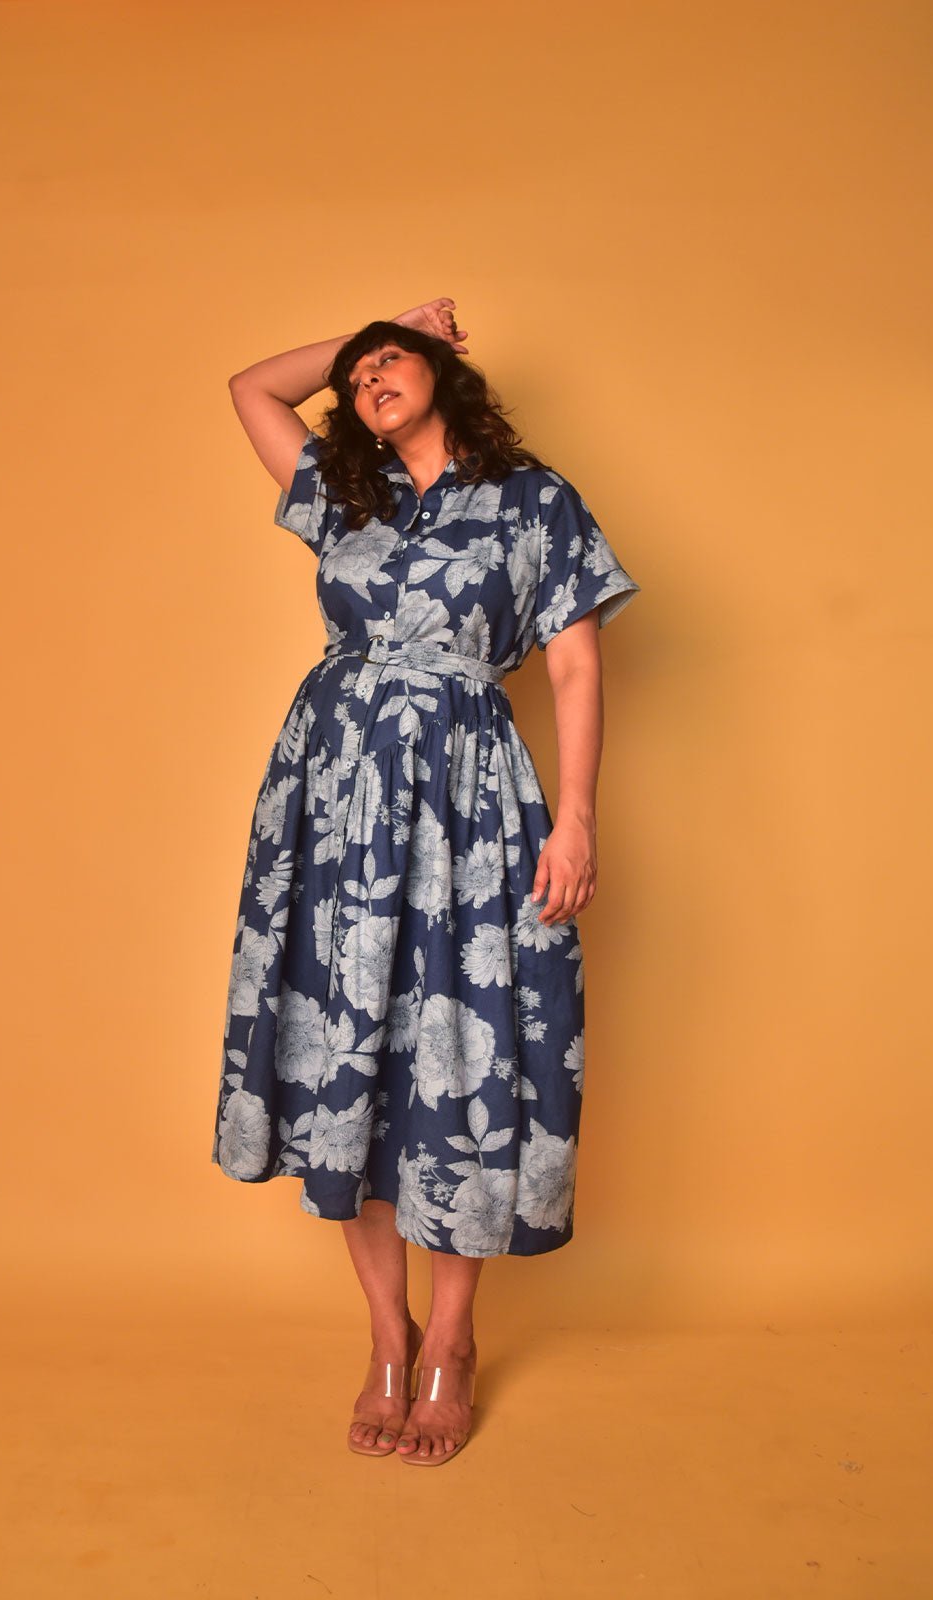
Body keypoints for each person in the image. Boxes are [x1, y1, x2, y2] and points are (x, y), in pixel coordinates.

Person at [212, 298, 641, 1466]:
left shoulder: (534, 500)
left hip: (466, 801)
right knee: (342, 1052)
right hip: (333, 796)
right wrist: (379, 325)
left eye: (392, 363)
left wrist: (577, 819)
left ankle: (451, 1337)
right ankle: (386, 1336)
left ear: (450, 375)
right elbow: (253, 387)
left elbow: (576, 664)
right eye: (356, 377)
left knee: (458, 1053)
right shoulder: (342, 495)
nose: (367, 381)